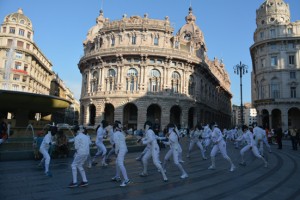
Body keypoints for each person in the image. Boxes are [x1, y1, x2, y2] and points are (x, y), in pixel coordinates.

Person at [111, 120, 131, 187]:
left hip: (121, 150)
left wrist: (116, 152)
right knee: (117, 162)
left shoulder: (115, 134)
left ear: (115, 128)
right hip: (124, 149)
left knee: (120, 163)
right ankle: (117, 176)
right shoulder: (121, 133)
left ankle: (126, 179)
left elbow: (117, 144)